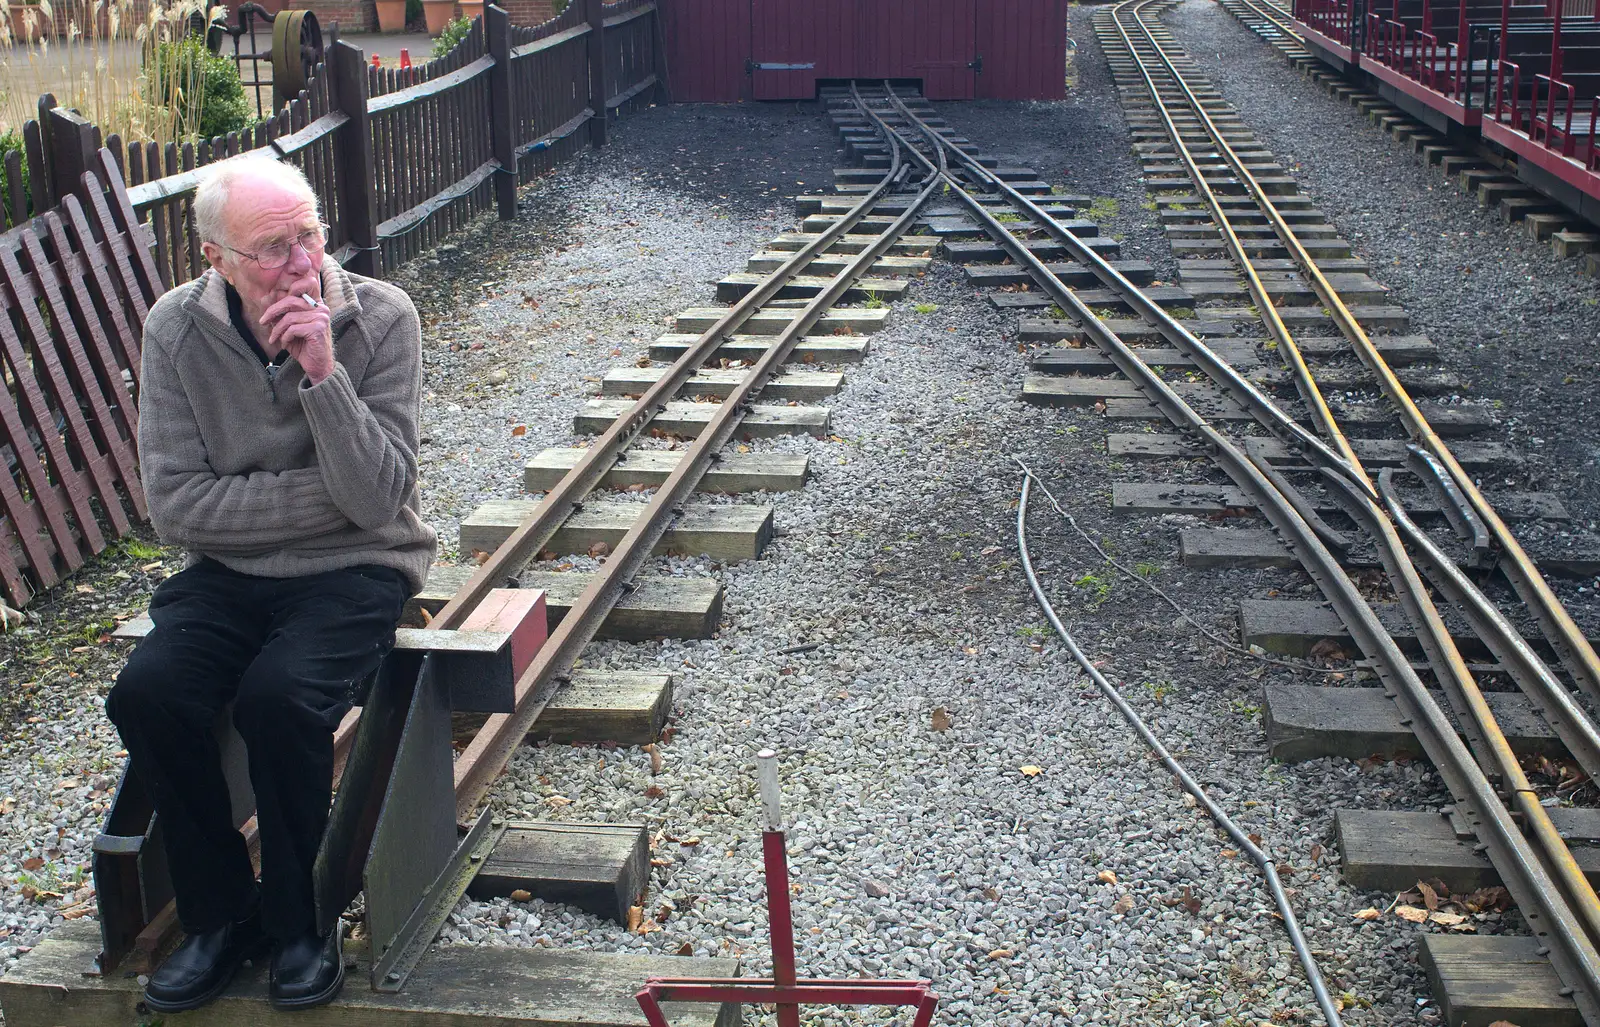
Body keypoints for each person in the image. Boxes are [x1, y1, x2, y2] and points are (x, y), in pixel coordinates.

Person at [105, 156, 436, 1012]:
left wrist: (325, 376)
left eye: (310, 235)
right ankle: (219, 917)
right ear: (215, 258)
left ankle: (299, 921)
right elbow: (178, 506)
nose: (302, 263)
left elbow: (378, 499)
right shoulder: (174, 329)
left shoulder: (381, 318)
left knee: (280, 698)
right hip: (226, 575)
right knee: (149, 692)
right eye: (274, 247)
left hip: (359, 568)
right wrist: (327, 497)